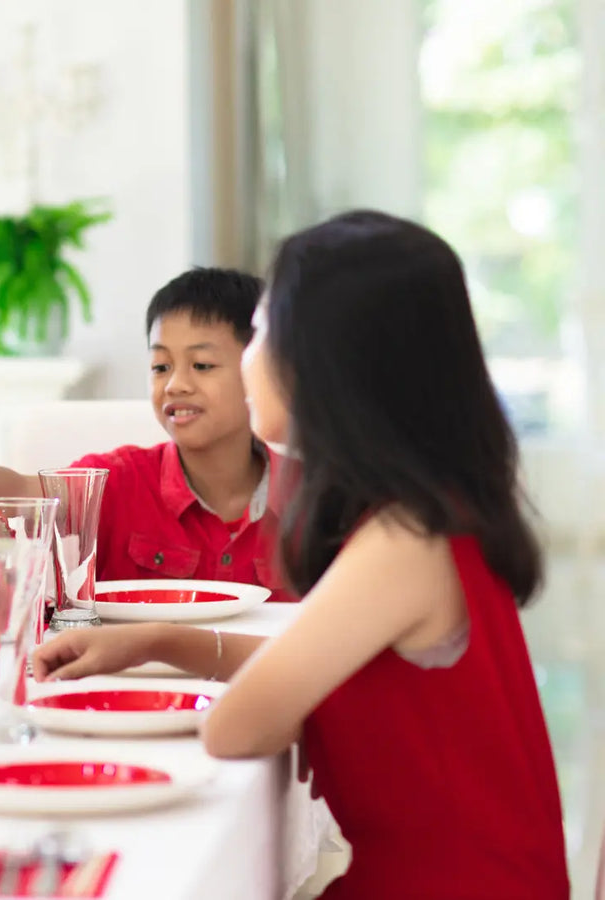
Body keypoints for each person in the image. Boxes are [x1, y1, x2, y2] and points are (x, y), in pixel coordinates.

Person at [32, 211, 568, 898]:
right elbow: (332, 664)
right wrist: (156, 640)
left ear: (329, 360)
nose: (248, 356)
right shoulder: (434, 510)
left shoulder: (403, 538)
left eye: (258, 332)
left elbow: (235, 726)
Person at [0, 267, 289, 597]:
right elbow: (26, 492)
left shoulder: (317, 495)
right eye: (160, 367)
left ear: (258, 368)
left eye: (202, 366)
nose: (175, 385)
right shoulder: (120, 479)